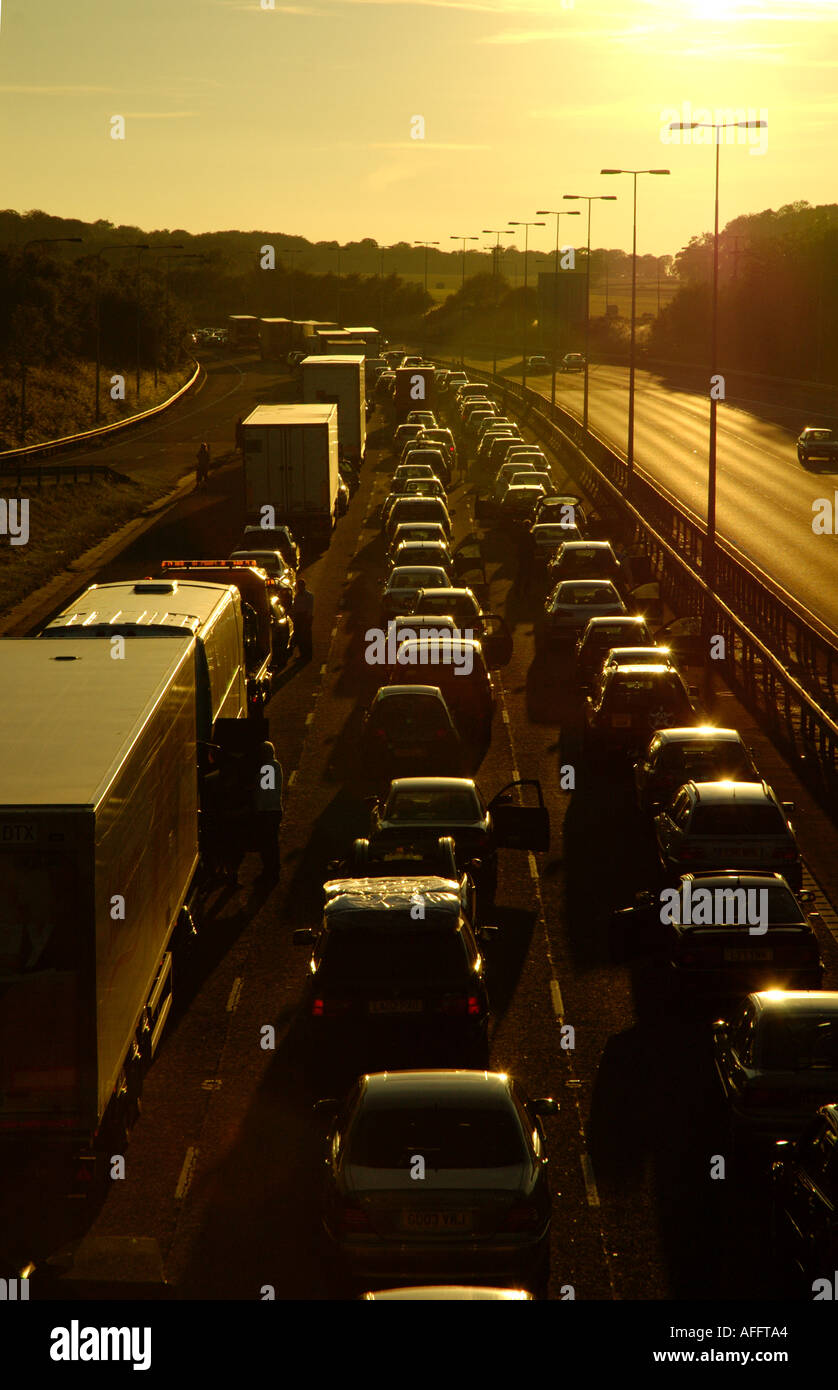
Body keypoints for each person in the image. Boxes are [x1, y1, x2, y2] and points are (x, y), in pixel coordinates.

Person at [249, 741, 284, 880]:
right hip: (271, 810)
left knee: (268, 843)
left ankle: (271, 870)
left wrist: (258, 808)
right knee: (270, 842)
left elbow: (265, 791)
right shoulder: (272, 766)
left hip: (268, 811)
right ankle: (271, 868)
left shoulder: (269, 767)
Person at [292, 578, 314, 662]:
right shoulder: (296, 596)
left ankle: (308, 655)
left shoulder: (309, 596)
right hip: (298, 617)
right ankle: (302, 654)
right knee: (299, 636)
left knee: (307, 636)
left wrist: (308, 619)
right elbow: (296, 607)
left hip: (305, 617)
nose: (299, 588)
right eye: (298, 586)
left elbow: (310, 608)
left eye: (300, 586)